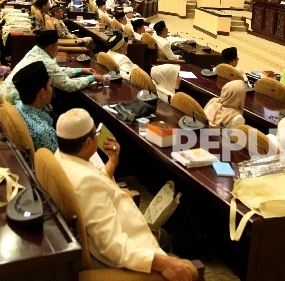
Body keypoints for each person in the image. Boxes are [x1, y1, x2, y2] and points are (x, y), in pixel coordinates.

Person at [55, 109, 193, 280]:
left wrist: (112, 162)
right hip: (124, 252)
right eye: (96, 133)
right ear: (89, 142)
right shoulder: (86, 182)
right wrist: (162, 263)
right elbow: (112, 245)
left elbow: (97, 186)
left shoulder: (61, 157)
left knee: (164, 237)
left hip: (123, 226)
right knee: (184, 265)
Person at [0, 30, 104, 105]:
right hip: (17, 101)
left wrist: (80, 70)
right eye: (57, 45)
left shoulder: (35, 51)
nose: (58, 48)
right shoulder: (46, 62)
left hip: (6, 93)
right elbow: (69, 85)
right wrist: (92, 78)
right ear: (50, 47)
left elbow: (55, 72)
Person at [13, 61, 57, 153]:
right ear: (42, 93)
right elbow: (59, 163)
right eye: (50, 85)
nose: (51, 89)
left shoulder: (19, 105)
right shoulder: (45, 133)